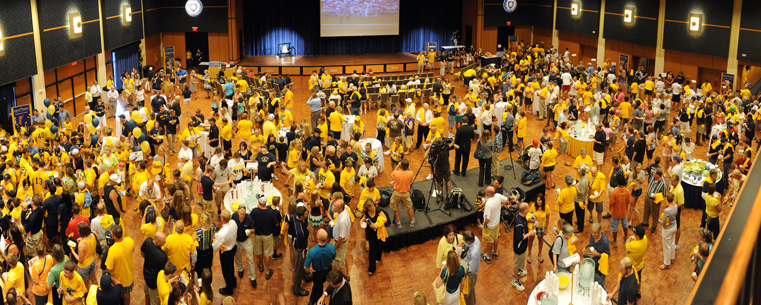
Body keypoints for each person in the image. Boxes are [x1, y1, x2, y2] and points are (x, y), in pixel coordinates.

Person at [250, 196, 281, 280]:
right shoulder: (270, 212)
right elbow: (276, 224)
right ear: (266, 203)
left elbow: (250, 220)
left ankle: (260, 266)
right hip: (268, 235)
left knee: (259, 251)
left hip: (258, 235)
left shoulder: (255, 211)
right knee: (267, 254)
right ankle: (267, 271)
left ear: (259, 203)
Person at [104, 225, 135, 305]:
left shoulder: (112, 250)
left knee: (117, 295)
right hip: (128, 275)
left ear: (114, 236)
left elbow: (109, 268)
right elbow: (133, 250)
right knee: (127, 293)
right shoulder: (130, 240)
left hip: (117, 279)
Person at [304, 229, 336, 305]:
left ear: (317, 237)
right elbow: (333, 257)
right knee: (316, 286)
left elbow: (306, 267)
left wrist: (309, 271)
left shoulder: (312, 251)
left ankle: (318, 303)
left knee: (318, 290)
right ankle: (312, 300)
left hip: (317, 273)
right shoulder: (331, 247)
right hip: (328, 271)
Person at [212, 210, 238, 295]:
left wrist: (215, 238)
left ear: (222, 219)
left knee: (226, 271)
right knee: (231, 267)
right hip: (233, 248)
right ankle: (233, 282)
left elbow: (215, 247)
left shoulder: (222, 234)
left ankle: (229, 289)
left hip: (226, 253)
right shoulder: (233, 222)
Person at [512, 202, 535, 291]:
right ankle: (515, 280)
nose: (529, 209)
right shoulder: (519, 223)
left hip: (523, 246)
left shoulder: (522, 217)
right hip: (519, 247)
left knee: (519, 261)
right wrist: (530, 234)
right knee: (516, 263)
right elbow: (519, 238)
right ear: (525, 210)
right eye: (528, 208)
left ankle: (519, 271)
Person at [361, 199, 387, 276]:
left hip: (379, 232)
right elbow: (364, 218)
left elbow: (385, 219)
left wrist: (375, 225)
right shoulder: (366, 212)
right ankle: (372, 269)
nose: (372, 208)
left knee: (379, 246)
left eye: (372, 206)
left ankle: (378, 257)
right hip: (370, 233)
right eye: (369, 207)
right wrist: (361, 221)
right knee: (372, 250)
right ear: (367, 208)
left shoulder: (378, 210)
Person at [232, 206, 257, 288]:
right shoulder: (234, 217)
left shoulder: (249, 218)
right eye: (241, 214)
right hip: (237, 241)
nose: (242, 216)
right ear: (238, 213)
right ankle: (240, 269)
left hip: (247, 241)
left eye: (243, 214)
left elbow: (254, 229)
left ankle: (252, 277)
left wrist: (250, 231)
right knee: (238, 257)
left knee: (250, 259)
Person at [482, 186, 507, 263]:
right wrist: (500, 206)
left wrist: (484, 224)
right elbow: (506, 200)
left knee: (489, 241)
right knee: (496, 237)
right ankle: (495, 252)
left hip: (489, 226)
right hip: (496, 224)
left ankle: (488, 257)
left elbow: (487, 219)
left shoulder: (488, 204)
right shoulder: (498, 196)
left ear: (488, 193)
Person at [141, 232, 167, 305]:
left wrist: (148, 259)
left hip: (146, 275)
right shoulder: (162, 255)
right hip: (154, 282)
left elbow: (141, 252)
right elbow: (163, 271)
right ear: (158, 242)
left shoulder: (147, 241)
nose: (165, 243)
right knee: (155, 301)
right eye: (163, 241)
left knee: (147, 294)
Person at [390, 159, 416, 228]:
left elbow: (392, 174)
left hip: (397, 193)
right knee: (409, 207)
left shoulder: (396, 173)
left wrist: (398, 166)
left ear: (401, 166)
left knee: (395, 208)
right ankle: (411, 221)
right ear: (408, 166)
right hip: (406, 194)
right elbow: (411, 179)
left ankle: (398, 223)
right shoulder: (410, 173)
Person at [609, 174, 632, 247]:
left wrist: (610, 211)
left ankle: (615, 241)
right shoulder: (627, 191)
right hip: (624, 212)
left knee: (614, 227)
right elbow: (629, 202)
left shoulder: (614, 192)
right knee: (625, 225)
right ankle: (626, 237)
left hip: (615, 213)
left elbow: (611, 203)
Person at [642, 168, 667, 233]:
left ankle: (654, 226)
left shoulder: (663, 183)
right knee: (646, 210)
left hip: (655, 201)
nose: (653, 174)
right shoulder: (652, 177)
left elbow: (664, 194)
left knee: (655, 214)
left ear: (658, 175)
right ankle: (645, 222)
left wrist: (656, 195)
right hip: (647, 197)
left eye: (654, 173)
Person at [626, 224, 648, 295]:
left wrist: (629, 238)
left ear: (637, 236)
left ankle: (630, 294)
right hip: (640, 265)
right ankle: (638, 292)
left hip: (633, 267)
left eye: (635, 233)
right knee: (639, 279)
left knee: (630, 281)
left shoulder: (633, 245)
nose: (634, 234)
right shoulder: (645, 238)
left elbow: (626, 245)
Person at [660, 193, 678, 270]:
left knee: (666, 246)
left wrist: (659, 220)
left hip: (667, 229)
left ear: (667, 200)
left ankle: (666, 264)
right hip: (674, 226)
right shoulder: (676, 206)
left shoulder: (666, 210)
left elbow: (663, 222)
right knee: (672, 243)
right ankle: (672, 258)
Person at [574, 166, 589, 233]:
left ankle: (580, 228)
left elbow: (581, 193)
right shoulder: (585, 176)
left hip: (580, 200)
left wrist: (575, 187)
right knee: (579, 214)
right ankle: (579, 222)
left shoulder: (584, 182)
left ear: (580, 173)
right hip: (579, 199)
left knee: (580, 214)